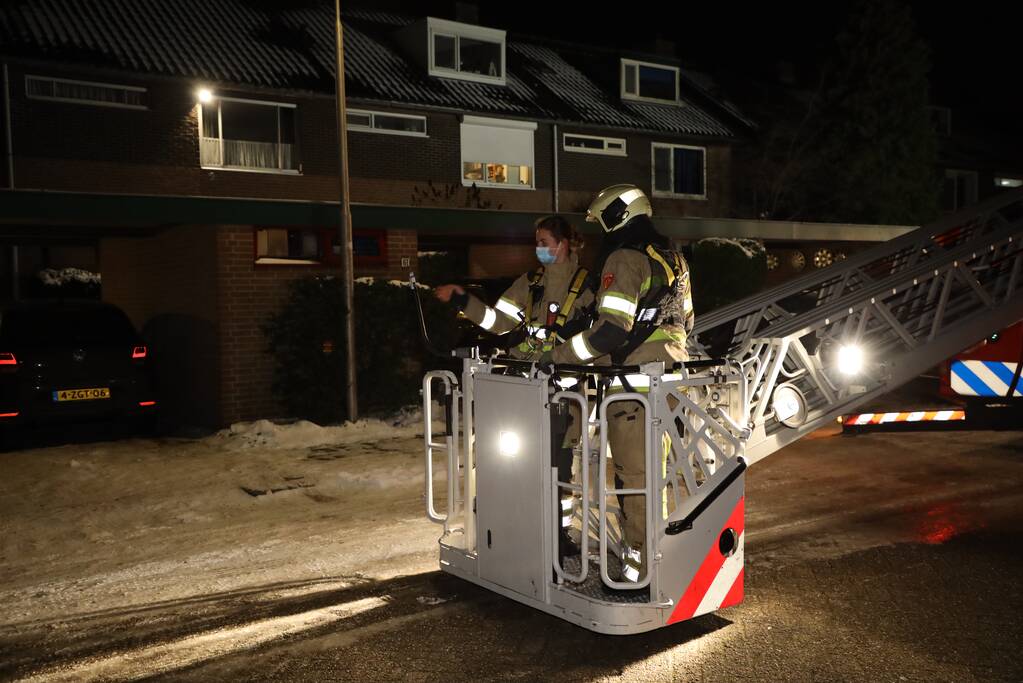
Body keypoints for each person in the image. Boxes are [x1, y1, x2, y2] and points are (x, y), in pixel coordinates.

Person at [534, 184, 694, 583]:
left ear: (620, 214)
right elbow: (686, 323)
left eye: (604, 219)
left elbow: (608, 334)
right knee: (655, 478)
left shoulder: (624, 257)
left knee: (634, 480)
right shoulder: (673, 258)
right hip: (671, 385)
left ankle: (639, 572)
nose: (602, 229)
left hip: (633, 389)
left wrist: (557, 356)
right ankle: (656, 558)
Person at [434, 215, 596, 558]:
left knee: (562, 468)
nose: (538, 249)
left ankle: (560, 533)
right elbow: (498, 321)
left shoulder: (590, 286)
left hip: (566, 397)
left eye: (543, 242)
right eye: (536, 242)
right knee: (517, 462)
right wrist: (464, 301)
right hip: (526, 392)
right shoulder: (531, 282)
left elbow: (600, 340)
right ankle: (520, 527)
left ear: (563, 244)